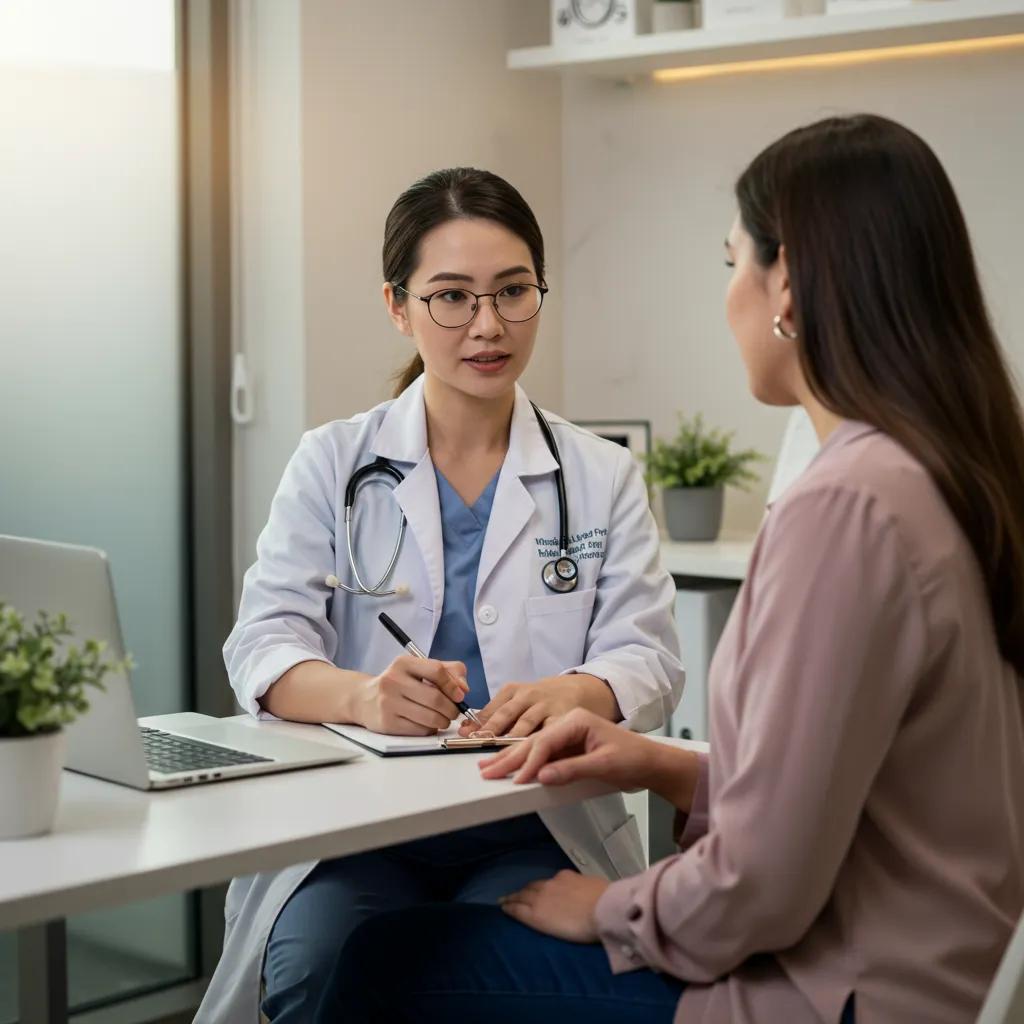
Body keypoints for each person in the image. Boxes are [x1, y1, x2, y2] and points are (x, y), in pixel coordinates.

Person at [328, 115, 1024, 1023]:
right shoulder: (950, 473)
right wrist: (657, 763)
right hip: (934, 963)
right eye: (452, 298)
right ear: (402, 305)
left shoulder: (844, 507)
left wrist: (613, 910)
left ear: (790, 288)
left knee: (382, 965)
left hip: (838, 987)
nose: (728, 294)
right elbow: (836, 789)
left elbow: (764, 881)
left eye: (733, 261)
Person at [195, 167, 684, 1023]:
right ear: (399, 305)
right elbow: (263, 645)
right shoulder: (332, 462)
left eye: (512, 292)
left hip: (532, 823)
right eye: (451, 297)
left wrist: (574, 693)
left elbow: (647, 656)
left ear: (539, 292)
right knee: (316, 971)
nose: (487, 326)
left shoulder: (600, 475)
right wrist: (364, 696)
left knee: (479, 985)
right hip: (353, 834)